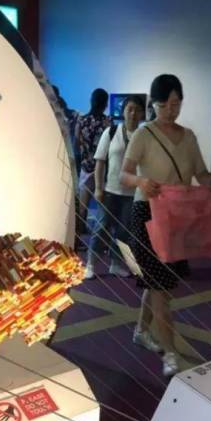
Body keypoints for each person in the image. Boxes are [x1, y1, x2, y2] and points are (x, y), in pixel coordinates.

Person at [121, 74, 211, 377]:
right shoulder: (144, 134)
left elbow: (201, 174)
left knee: (161, 286)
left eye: (176, 104)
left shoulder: (188, 136)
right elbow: (124, 175)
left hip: (178, 218)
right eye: (163, 104)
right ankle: (170, 353)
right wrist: (141, 181)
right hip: (148, 214)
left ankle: (142, 331)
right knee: (159, 286)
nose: (170, 110)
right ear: (153, 104)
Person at [86, 95, 146, 279]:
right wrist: (98, 188)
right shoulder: (111, 132)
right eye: (130, 109)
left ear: (142, 113)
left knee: (124, 232)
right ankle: (90, 264)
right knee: (101, 228)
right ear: (123, 111)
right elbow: (100, 162)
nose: (133, 114)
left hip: (132, 193)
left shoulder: (144, 137)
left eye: (137, 110)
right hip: (110, 191)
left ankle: (116, 264)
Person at [74, 89, 111, 237]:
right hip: (102, 168)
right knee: (102, 204)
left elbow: (76, 142)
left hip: (85, 166)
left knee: (83, 205)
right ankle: (100, 234)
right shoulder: (107, 122)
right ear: (105, 104)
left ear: (91, 101)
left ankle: (80, 233)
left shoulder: (81, 120)